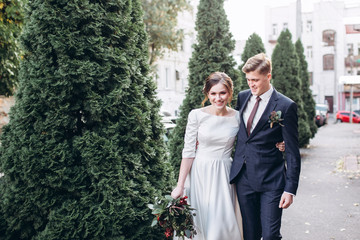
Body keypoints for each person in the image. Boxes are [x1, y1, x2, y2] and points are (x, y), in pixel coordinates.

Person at [171, 72, 285, 240]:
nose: (218, 98)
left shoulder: (238, 117)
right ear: (207, 94)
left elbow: (256, 139)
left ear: (230, 93)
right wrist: (180, 186)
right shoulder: (196, 115)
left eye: (222, 93)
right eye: (213, 93)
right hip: (199, 176)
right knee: (199, 225)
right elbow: (188, 152)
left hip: (225, 176)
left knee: (220, 224)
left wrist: (279, 143)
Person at [230, 53, 301, 240]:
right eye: (248, 80)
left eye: (255, 80)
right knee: (250, 234)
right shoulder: (243, 97)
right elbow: (240, 133)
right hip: (243, 178)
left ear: (268, 76)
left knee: (270, 235)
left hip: (272, 179)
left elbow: (293, 152)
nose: (251, 84)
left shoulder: (286, 106)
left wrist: (290, 189)